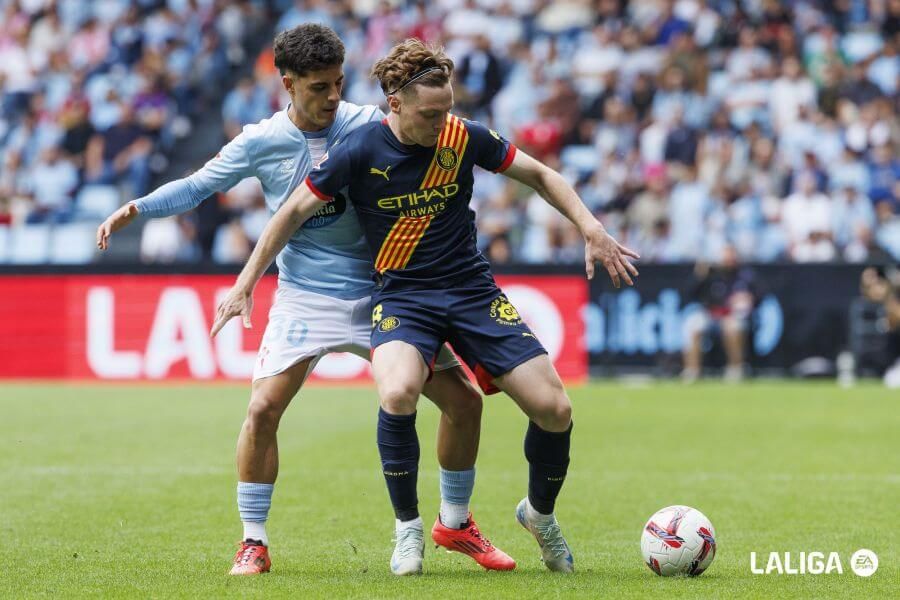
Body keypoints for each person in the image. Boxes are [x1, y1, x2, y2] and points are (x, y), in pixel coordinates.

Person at [212, 39, 639, 575]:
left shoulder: (462, 137)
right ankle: (409, 531)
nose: (443, 124)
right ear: (395, 103)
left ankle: (538, 515)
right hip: (402, 298)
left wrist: (591, 228)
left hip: (470, 290)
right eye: (430, 114)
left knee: (555, 411)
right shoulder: (360, 150)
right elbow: (291, 212)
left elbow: (542, 176)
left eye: (448, 110)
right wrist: (246, 282)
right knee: (396, 392)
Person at [96, 25, 499, 576]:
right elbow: (197, 185)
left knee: (466, 402)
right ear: (287, 83)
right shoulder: (260, 140)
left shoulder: (369, 123)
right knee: (262, 409)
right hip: (305, 296)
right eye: (318, 87)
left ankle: (456, 523)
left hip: (384, 293)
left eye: (338, 83)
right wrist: (137, 208)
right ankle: (253, 541)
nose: (333, 97)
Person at [681, 245, 757, 382]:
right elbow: (689, 294)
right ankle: (692, 370)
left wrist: (746, 300)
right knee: (693, 324)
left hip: (732, 315)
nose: (728, 259)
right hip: (710, 314)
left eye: (731, 255)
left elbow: (758, 296)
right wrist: (699, 276)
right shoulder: (711, 274)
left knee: (731, 326)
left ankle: (735, 369)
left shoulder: (744, 275)